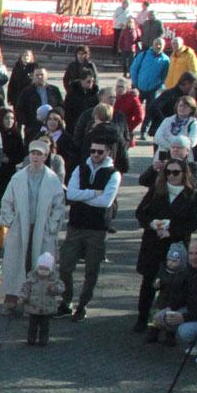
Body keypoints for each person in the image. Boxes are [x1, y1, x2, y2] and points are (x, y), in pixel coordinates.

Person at [57, 131, 121, 321]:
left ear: (108, 153)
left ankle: (83, 305)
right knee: (65, 267)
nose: (95, 155)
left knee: (91, 270)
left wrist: (83, 195)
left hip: (97, 228)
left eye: (99, 152)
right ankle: (66, 301)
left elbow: (106, 202)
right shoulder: (80, 168)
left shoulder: (114, 174)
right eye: (92, 151)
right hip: (76, 225)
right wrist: (93, 193)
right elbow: (71, 195)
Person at [132, 160, 197, 332]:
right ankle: (142, 317)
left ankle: (169, 322)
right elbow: (140, 213)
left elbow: (193, 223)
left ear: (184, 174)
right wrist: (152, 224)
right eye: (168, 172)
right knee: (148, 281)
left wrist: (172, 231)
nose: (171, 176)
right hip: (153, 243)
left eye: (176, 172)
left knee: (174, 285)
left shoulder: (193, 195)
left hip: (176, 245)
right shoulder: (156, 191)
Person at [0, 140, 67, 316]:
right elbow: (7, 202)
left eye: (39, 154)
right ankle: (11, 298)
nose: (35, 157)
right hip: (21, 226)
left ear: (45, 156)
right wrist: (11, 220)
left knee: (39, 263)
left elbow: (59, 206)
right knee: (15, 262)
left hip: (42, 227)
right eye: (33, 153)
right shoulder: (18, 178)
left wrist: (52, 225)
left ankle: (34, 303)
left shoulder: (52, 180)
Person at [20, 252, 63, 346]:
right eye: (41, 269)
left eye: (46, 269)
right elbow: (25, 288)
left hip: (47, 308)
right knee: (32, 325)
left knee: (45, 326)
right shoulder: (32, 279)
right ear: (37, 268)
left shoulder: (54, 280)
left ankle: (43, 340)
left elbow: (61, 288)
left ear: (50, 270)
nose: (43, 271)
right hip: (33, 307)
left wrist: (55, 289)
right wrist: (23, 296)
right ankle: (31, 339)